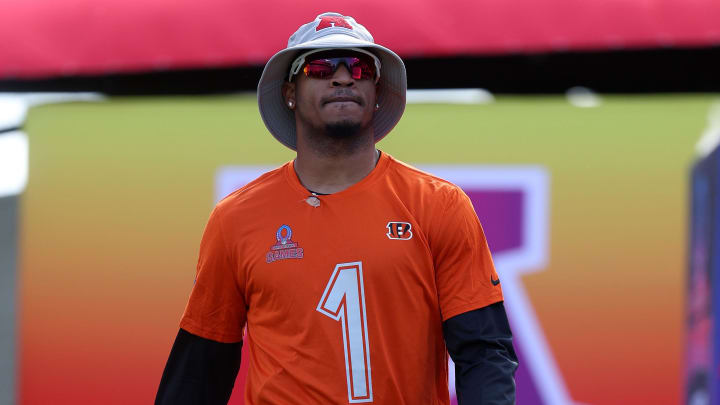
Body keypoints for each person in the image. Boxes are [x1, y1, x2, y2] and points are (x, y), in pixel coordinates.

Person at [155, 12, 518, 405]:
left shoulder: (439, 205)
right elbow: (199, 370)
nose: (343, 77)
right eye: (321, 66)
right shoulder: (236, 218)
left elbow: (484, 352)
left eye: (360, 67)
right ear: (290, 92)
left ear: (377, 91)